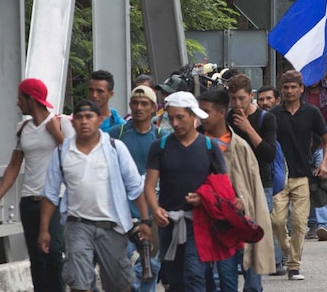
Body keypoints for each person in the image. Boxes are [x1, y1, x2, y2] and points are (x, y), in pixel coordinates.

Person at [40, 99, 151, 292]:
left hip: (112, 227)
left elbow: (135, 187)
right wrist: (44, 230)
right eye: (80, 117)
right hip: (77, 226)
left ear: (99, 120)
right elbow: (50, 194)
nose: (84, 121)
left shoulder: (115, 148)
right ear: (73, 122)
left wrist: (145, 221)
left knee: (119, 285)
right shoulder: (62, 152)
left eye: (89, 117)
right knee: (79, 284)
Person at [0, 79, 74, 292]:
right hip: (29, 199)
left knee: (53, 252)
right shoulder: (23, 128)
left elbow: (73, 157)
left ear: (31, 99)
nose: (18, 104)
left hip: (55, 198)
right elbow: (14, 165)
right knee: (36, 257)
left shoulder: (62, 123)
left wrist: (56, 134)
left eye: (20, 98)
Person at [145, 91, 227, 291]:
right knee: (174, 281)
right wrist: (155, 209)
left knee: (194, 274)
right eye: (170, 118)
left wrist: (203, 197)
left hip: (199, 222)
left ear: (193, 116)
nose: (174, 123)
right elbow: (149, 185)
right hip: (168, 223)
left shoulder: (209, 146)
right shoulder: (160, 146)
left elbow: (223, 187)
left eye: (180, 117)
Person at [197, 89, 276, 290]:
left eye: (206, 111)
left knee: (250, 271)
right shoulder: (195, 144)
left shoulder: (239, 146)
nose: (201, 117)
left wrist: (242, 202)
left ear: (221, 112)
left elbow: (253, 188)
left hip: (241, 218)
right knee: (219, 279)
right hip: (208, 220)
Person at [269, 70, 327, 279]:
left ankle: (294, 266)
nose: (289, 91)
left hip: (303, 177)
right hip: (279, 177)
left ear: (301, 89)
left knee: (299, 223)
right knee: (277, 221)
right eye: (285, 87)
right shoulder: (273, 116)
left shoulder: (312, 113)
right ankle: (289, 252)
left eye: (293, 87)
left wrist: (323, 163)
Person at [109, 85, 167, 291]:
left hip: (153, 214)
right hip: (122, 214)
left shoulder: (162, 137)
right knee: (122, 264)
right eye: (135, 103)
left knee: (150, 266)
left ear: (153, 108)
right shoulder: (118, 134)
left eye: (144, 104)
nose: (139, 108)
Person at [224, 73, 280, 281]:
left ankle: (253, 281)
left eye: (241, 98)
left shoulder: (266, 118)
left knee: (254, 233)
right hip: (232, 184)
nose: (237, 104)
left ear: (251, 96)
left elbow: (269, 154)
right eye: (233, 99)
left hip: (260, 184)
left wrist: (248, 128)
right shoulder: (227, 117)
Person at [301, 77, 327, 241]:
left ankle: (322, 224)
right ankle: (312, 223)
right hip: (303, 145)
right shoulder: (299, 93)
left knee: (323, 183)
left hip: (324, 144)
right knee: (307, 183)